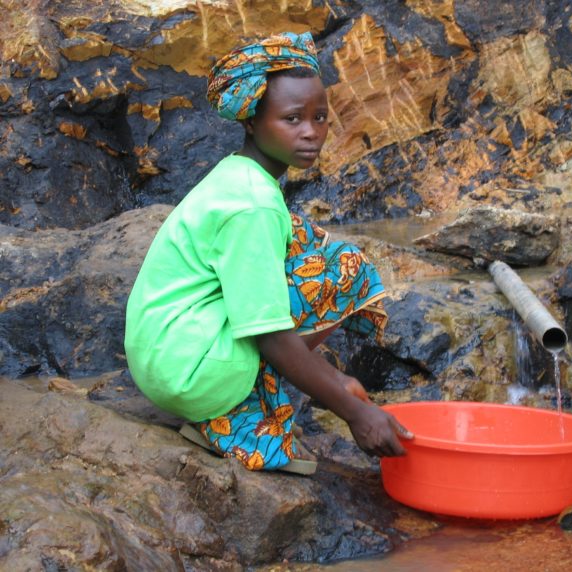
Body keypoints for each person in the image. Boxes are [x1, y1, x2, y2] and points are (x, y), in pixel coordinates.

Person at [124, 31, 412, 473]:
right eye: (292, 119)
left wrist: (337, 381)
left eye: (320, 117)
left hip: (163, 357)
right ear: (251, 122)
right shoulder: (253, 206)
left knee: (304, 237)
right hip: (190, 373)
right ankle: (234, 416)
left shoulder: (238, 173)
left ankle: (236, 394)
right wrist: (354, 412)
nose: (311, 132)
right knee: (346, 268)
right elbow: (270, 335)